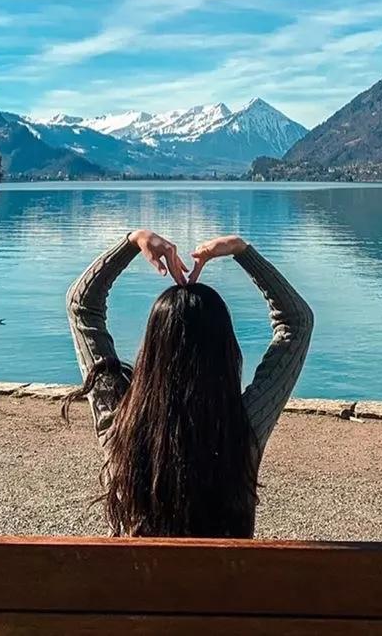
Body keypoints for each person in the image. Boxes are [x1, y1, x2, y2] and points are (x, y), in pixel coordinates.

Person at [64, 227, 313, 538]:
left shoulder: (120, 422)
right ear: (226, 350)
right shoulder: (241, 427)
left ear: (152, 348)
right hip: (226, 584)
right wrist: (241, 250)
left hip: (134, 585)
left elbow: (82, 308)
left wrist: (132, 241)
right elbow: (297, 324)